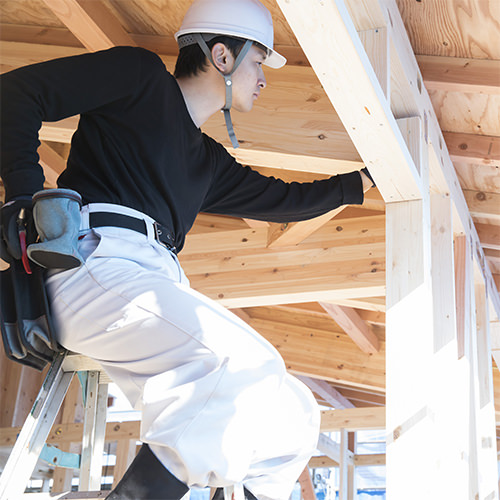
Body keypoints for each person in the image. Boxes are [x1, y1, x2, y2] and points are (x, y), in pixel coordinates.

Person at [0, 0, 374, 498]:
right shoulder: (138, 76)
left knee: (293, 414)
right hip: (93, 263)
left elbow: (285, 199)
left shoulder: (207, 162)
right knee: (243, 365)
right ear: (222, 56)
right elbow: (15, 95)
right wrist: (24, 197)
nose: (263, 79)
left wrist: (365, 181)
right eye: (258, 62)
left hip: (151, 281)